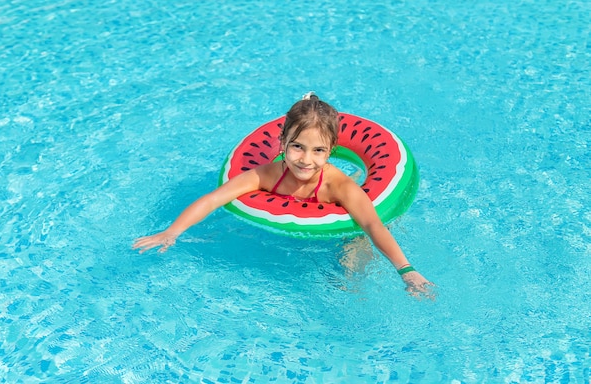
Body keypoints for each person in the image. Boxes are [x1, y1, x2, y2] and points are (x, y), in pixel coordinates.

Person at [133, 93, 434, 296]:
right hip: (301, 211)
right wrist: (171, 232)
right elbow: (214, 198)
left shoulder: (338, 186)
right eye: (297, 147)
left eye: (318, 151)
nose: (305, 159)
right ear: (282, 144)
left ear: (332, 151)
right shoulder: (267, 174)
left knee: (346, 278)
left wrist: (406, 271)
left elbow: (373, 226)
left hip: (349, 226)